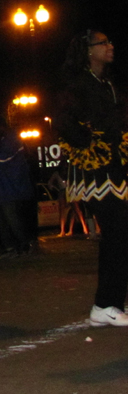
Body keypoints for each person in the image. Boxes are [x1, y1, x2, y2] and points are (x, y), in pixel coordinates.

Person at [55, 29, 128, 327]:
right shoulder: (76, 84)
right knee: (118, 229)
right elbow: (62, 120)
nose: (111, 46)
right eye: (104, 43)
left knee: (119, 231)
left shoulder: (109, 83)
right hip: (94, 166)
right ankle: (105, 303)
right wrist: (85, 140)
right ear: (88, 51)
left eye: (110, 41)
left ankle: (107, 303)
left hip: (114, 165)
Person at [0, 115, 36, 257]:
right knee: (4, 219)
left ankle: (26, 244)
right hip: (4, 186)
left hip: (12, 186)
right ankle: (11, 248)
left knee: (12, 218)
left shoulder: (11, 138)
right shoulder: (4, 139)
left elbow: (2, 157)